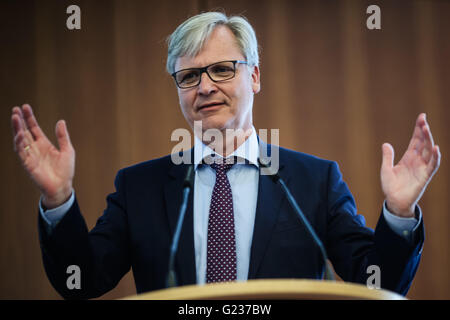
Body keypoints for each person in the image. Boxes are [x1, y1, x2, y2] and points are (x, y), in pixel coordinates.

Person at [11, 12, 440, 299]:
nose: (205, 87)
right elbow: (80, 282)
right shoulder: (139, 187)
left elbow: (376, 281)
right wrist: (58, 201)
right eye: (189, 75)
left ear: (254, 76)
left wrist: (399, 213)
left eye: (222, 69)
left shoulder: (314, 180)